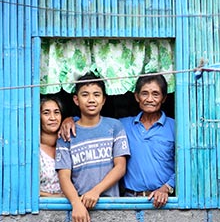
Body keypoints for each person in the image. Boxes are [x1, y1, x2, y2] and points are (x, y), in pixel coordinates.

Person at [61, 74, 175, 208]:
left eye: (155, 94)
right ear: (136, 97)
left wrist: (167, 187)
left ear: (164, 98)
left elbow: (185, 165)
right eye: (144, 93)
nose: (150, 99)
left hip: (163, 202)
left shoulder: (175, 127)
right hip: (129, 200)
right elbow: (94, 122)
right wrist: (70, 120)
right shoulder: (122, 125)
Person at [55, 72, 130, 222]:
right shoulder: (66, 134)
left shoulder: (114, 127)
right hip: (80, 207)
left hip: (111, 206)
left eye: (96, 95)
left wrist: (95, 191)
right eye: (85, 95)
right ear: (76, 100)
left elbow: (120, 167)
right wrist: (76, 204)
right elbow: (64, 176)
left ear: (103, 100)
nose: (91, 99)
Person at [39, 95, 65, 197]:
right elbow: (25, 189)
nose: (53, 118)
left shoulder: (67, 145)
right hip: (43, 210)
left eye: (56, 112)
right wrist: (55, 197)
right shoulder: (34, 150)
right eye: (46, 113)